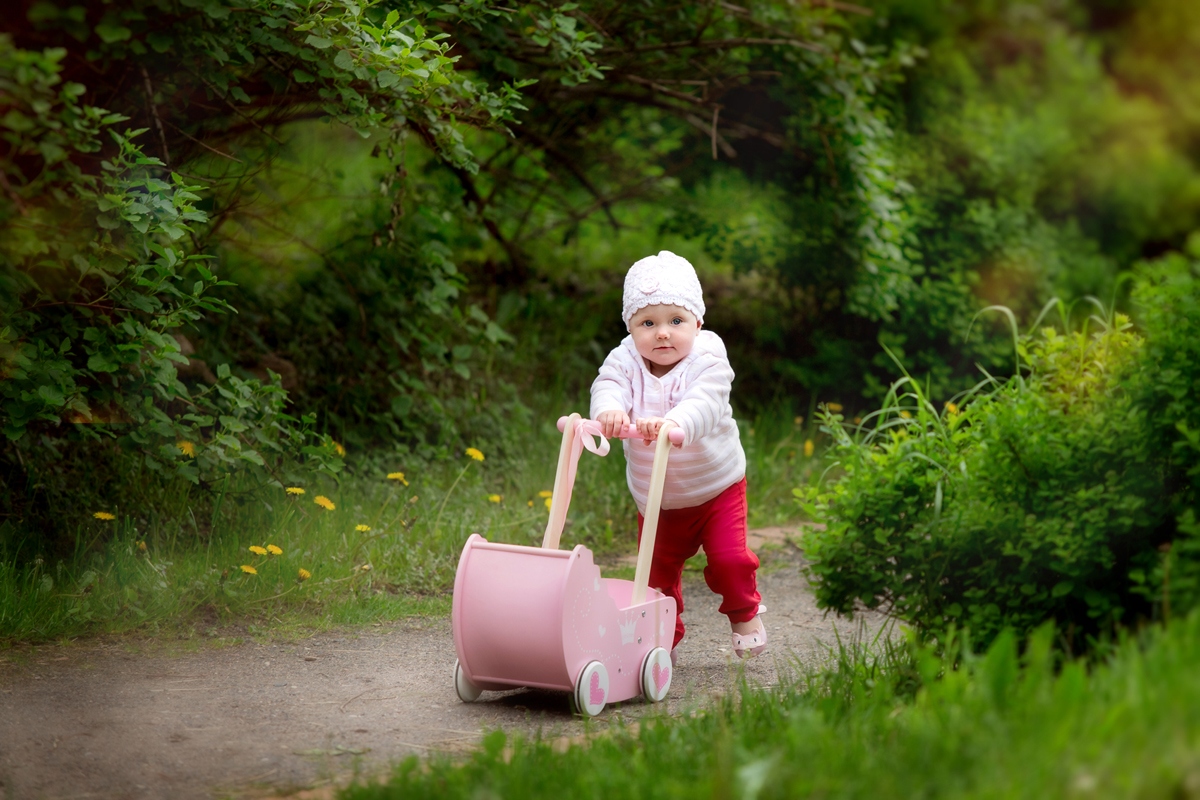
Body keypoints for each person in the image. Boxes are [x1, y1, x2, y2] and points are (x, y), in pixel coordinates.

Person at [590, 250, 766, 660]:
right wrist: (609, 411)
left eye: (675, 321)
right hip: (656, 500)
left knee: (730, 560)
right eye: (647, 323)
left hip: (715, 489)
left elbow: (706, 402)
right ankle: (657, 643)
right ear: (630, 327)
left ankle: (744, 612)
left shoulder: (708, 358)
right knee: (652, 581)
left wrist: (673, 422)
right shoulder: (626, 359)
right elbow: (608, 384)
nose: (662, 333)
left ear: (698, 323)